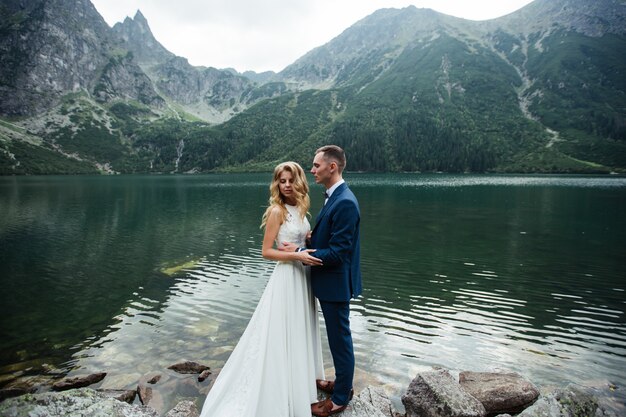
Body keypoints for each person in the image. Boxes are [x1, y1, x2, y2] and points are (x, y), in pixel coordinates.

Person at [199, 161, 325, 417]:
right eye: (282, 181)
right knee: (281, 333)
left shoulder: (300, 207)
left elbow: (300, 238)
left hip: (303, 276)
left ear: (299, 181)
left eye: (291, 180)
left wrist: (308, 240)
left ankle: (299, 385)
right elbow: (266, 252)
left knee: (300, 329)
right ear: (277, 183)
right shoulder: (277, 211)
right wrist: (297, 257)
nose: (287, 185)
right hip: (288, 277)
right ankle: (281, 391)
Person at [282, 145, 362, 417]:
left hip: (336, 284)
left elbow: (339, 253)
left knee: (340, 339)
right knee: (337, 337)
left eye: (316, 166)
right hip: (330, 283)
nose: (312, 170)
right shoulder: (334, 197)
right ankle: (342, 383)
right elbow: (333, 237)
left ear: (332, 167)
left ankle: (340, 399)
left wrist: (300, 253)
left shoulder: (346, 202)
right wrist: (312, 239)